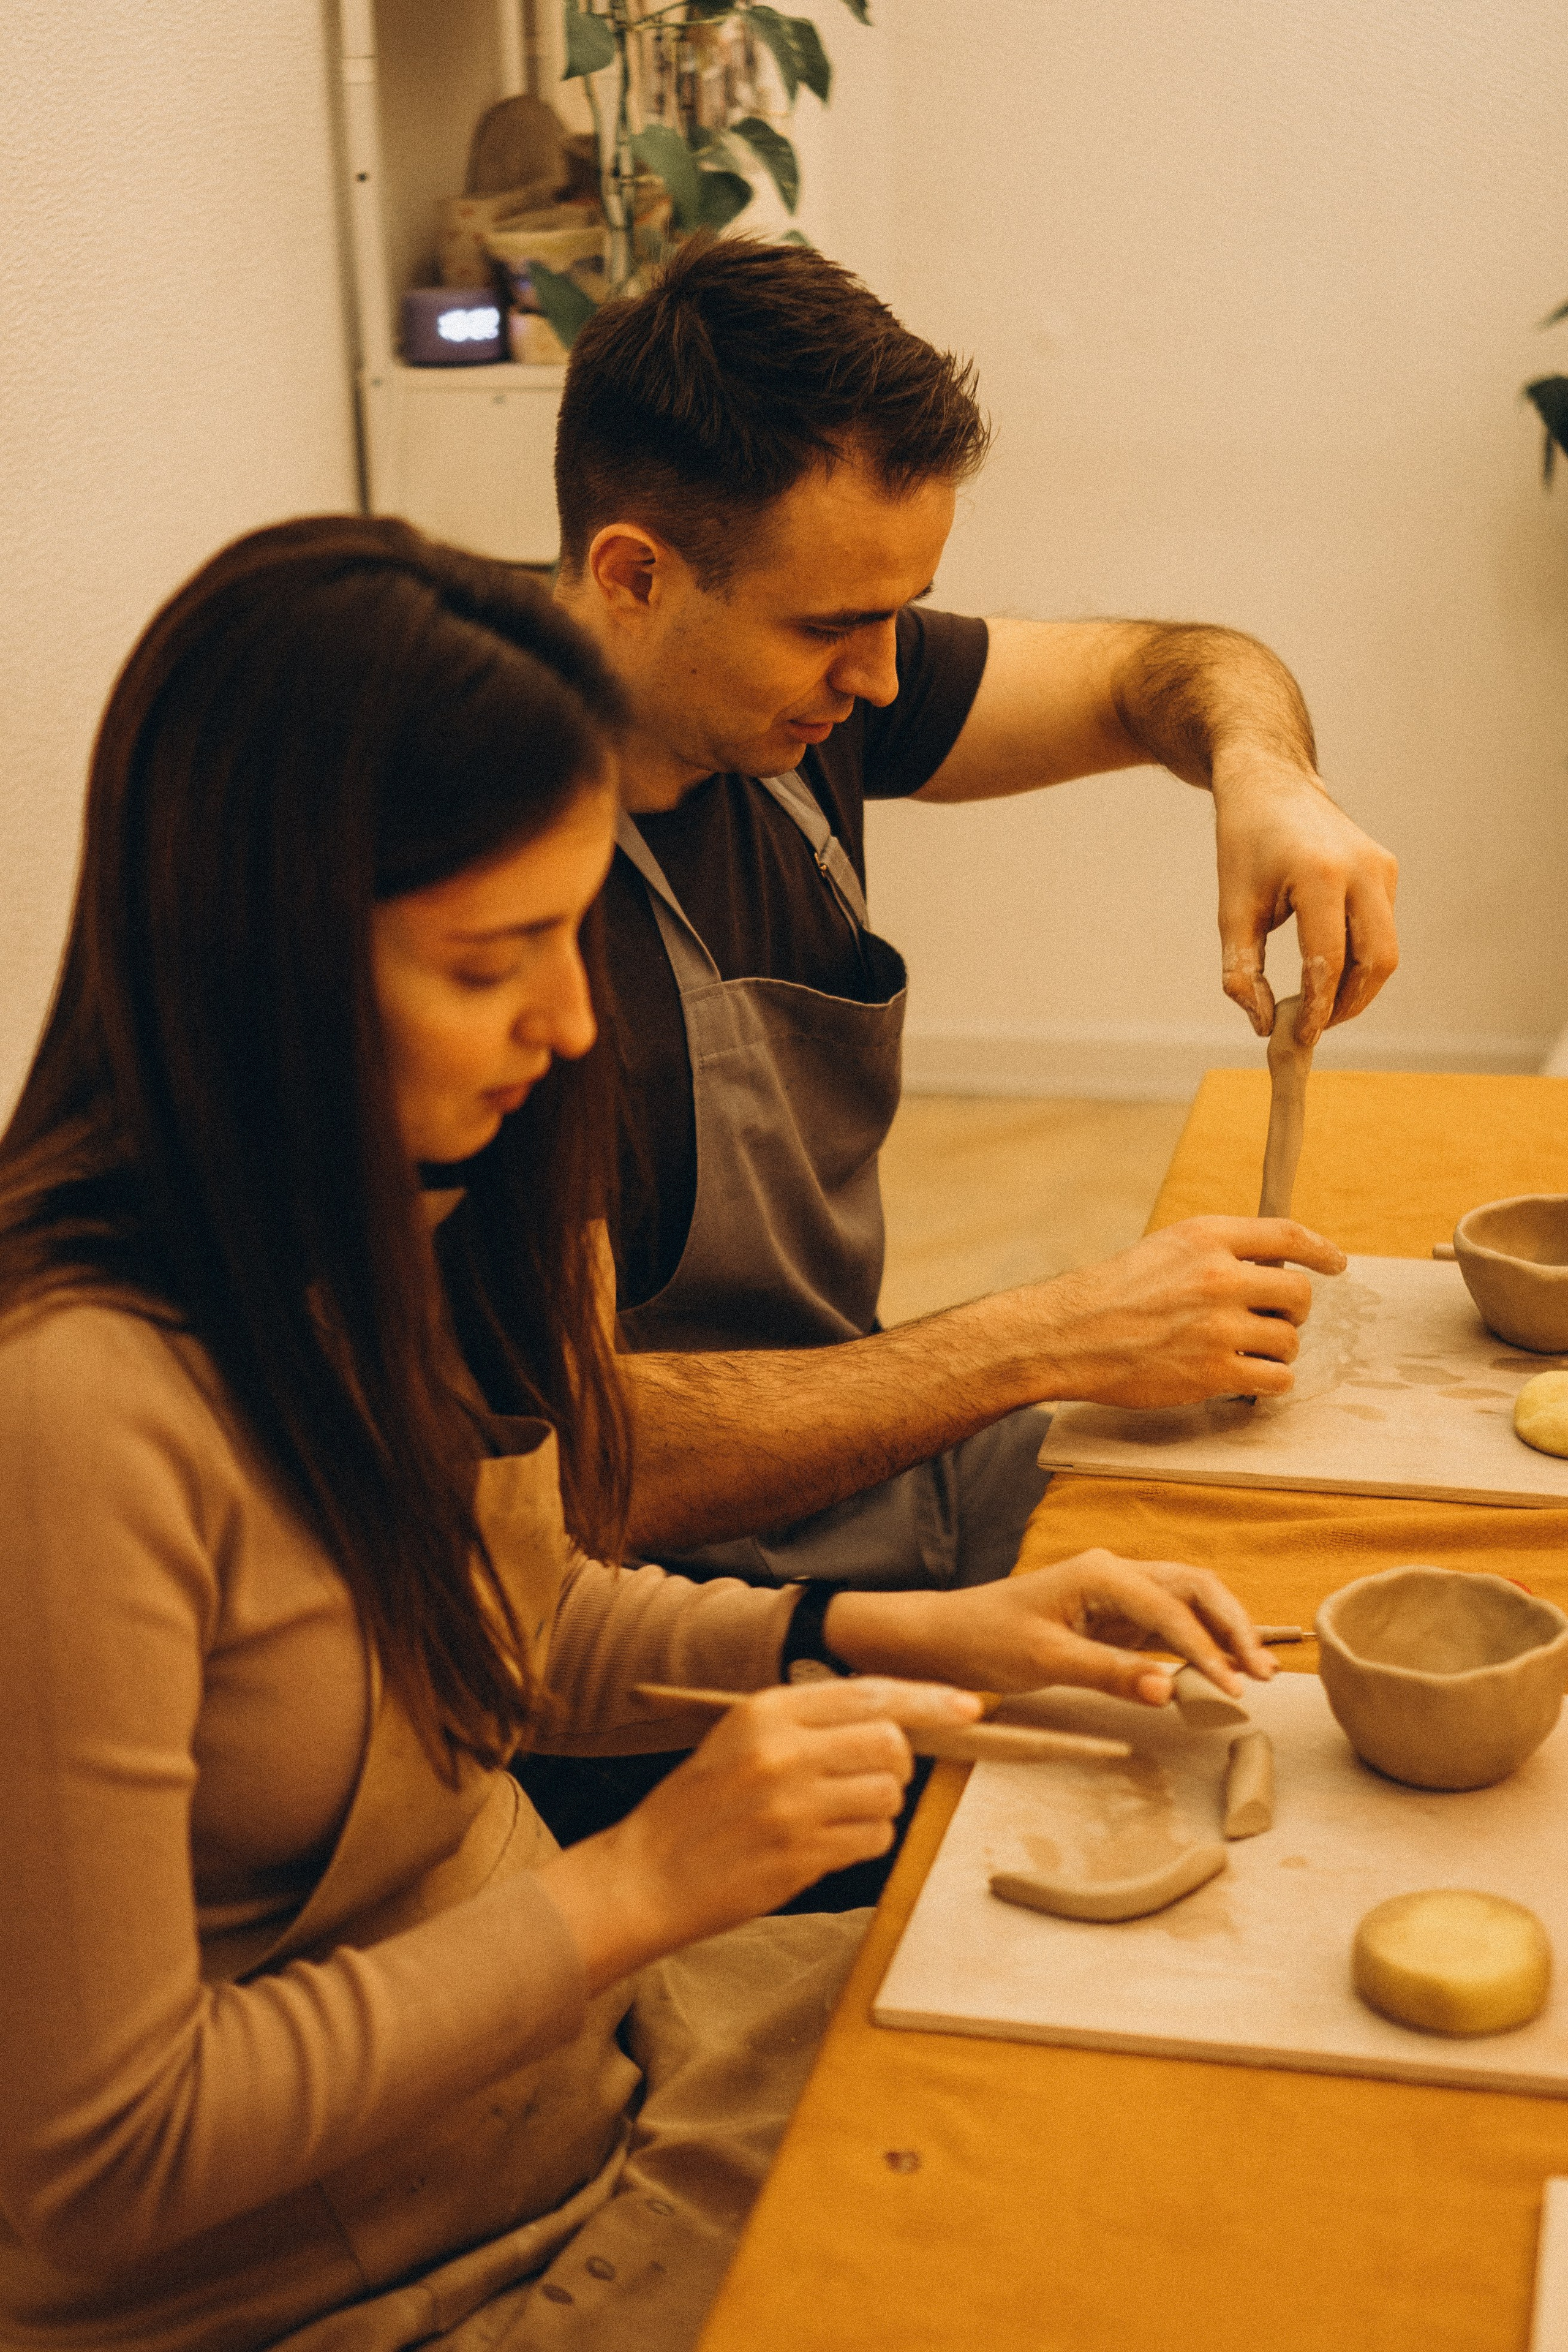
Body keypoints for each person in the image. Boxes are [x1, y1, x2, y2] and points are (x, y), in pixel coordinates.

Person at [0, 516, 1278, 2352]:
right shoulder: (74, 1410)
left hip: (581, 2079)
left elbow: (509, 1631)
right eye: (492, 959)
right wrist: (640, 1888)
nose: (572, 1021)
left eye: (576, 932)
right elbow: (106, 2154)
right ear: (257, 957)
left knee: (1164, 2099)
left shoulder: (389, 1206)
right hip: (380, 2272)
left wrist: (860, 1637)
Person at [548, 233, 1390, 1598]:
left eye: (905, 615)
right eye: (833, 625)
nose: (880, 681)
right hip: (687, 1615)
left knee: (1317, 1537)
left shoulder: (786, 712)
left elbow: (1166, 671)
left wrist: (1264, 772)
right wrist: (1045, 1339)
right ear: (634, 577)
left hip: (873, 1474)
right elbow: (581, 1469)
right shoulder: (487, 907)